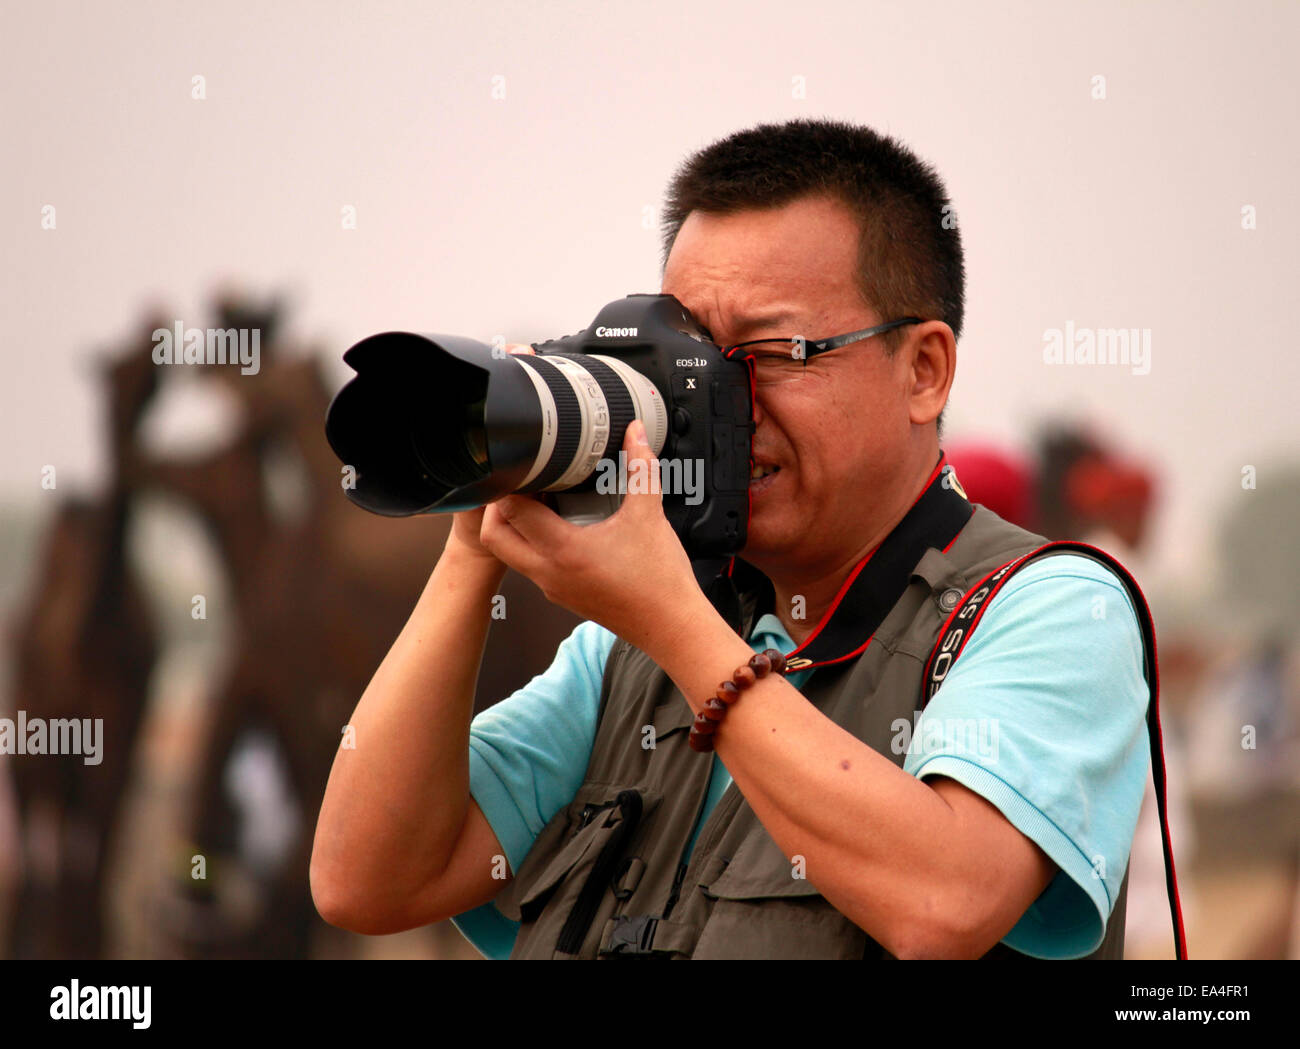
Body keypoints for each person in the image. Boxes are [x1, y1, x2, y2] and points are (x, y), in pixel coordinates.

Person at [310, 118, 1160, 959]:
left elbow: (946, 900)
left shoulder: (1047, 609)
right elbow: (367, 879)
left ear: (923, 370)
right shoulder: (624, 657)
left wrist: (675, 623)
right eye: (692, 358)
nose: (720, 402)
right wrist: (474, 545)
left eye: (772, 351)